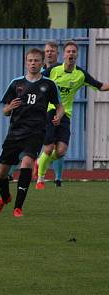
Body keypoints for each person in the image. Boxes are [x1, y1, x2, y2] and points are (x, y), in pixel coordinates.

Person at [0, 48, 64, 218]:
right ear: (25, 62)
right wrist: (9, 108)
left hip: (36, 131)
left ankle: (18, 208)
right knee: (1, 174)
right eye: (30, 60)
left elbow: (60, 106)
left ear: (42, 62)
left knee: (27, 163)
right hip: (15, 132)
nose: (33, 63)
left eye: (36, 60)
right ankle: (5, 199)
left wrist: (58, 116)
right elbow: (5, 111)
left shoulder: (49, 84)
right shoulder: (16, 83)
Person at [35, 41, 109, 189]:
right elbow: (36, 80)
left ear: (77, 55)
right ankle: (40, 179)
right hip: (50, 111)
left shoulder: (80, 75)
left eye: (73, 52)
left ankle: (40, 162)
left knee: (61, 151)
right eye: (68, 51)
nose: (71, 54)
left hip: (66, 115)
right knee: (49, 148)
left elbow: (101, 86)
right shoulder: (53, 70)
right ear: (63, 54)